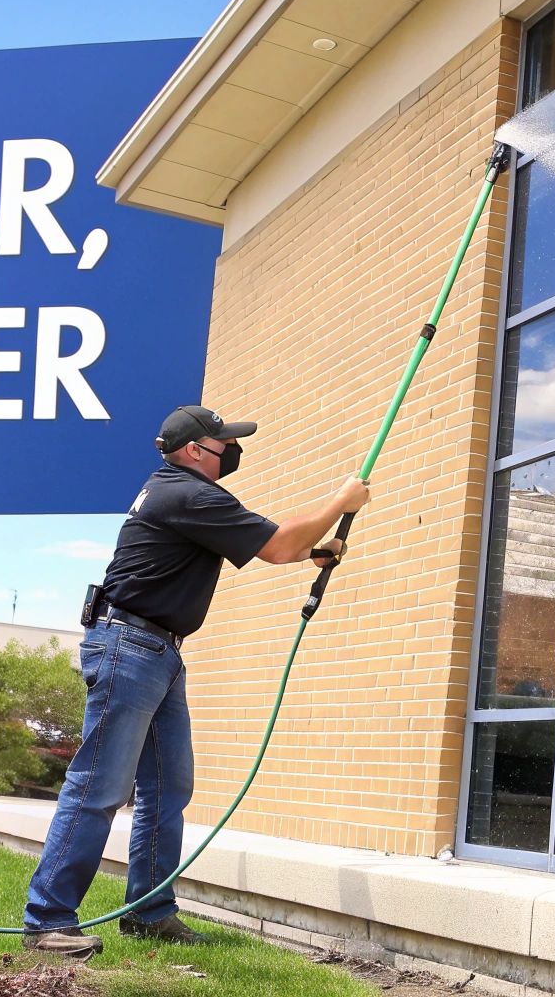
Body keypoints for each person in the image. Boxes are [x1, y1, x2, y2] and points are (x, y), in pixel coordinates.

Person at [21, 404, 371, 959]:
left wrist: (314, 548)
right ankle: (48, 919)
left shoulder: (179, 495)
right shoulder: (186, 494)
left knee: (168, 787)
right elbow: (276, 544)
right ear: (194, 451)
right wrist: (340, 503)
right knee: (99, 786)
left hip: (155, 650)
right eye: (224, 443)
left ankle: (149, 912)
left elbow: (277, 550)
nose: (232, 450)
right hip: (130, 648)